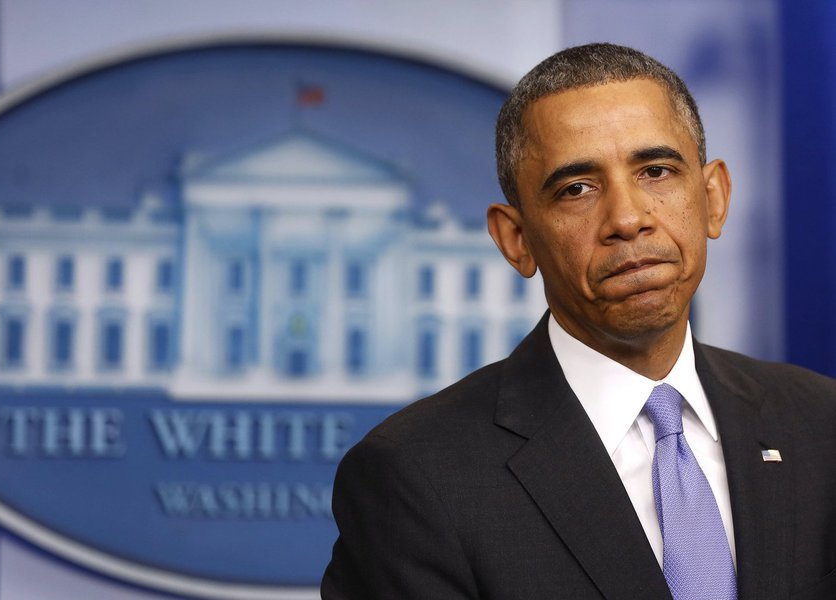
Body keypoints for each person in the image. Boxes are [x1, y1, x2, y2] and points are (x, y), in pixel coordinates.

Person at [320, 43, 836, 599]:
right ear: (516, 240)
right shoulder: (415, 477)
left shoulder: (821, 424)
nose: (628, 218)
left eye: (656, 171)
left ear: (713, 198)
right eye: (577, 189)